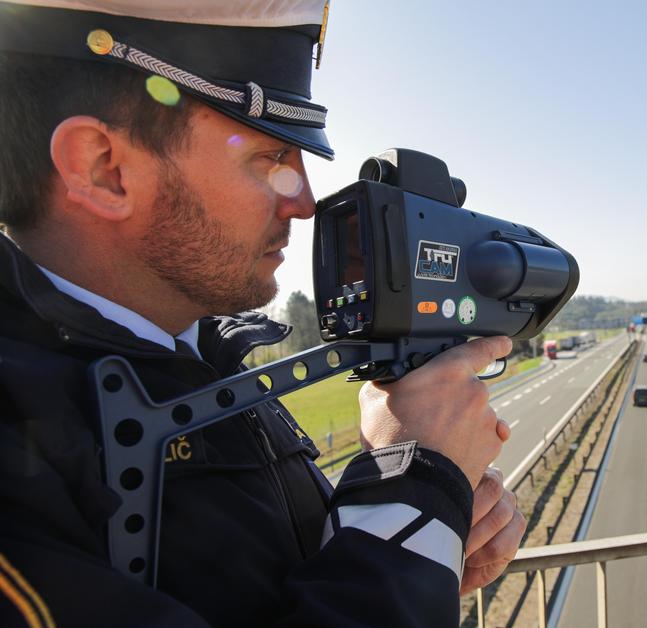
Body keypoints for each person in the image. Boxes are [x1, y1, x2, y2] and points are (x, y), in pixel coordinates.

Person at [0, 1, 525, 626]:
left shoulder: (202, 358)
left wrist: (422, 555)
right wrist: (413, 494)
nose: (304, 202)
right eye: (272, 158)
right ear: (104, 169)